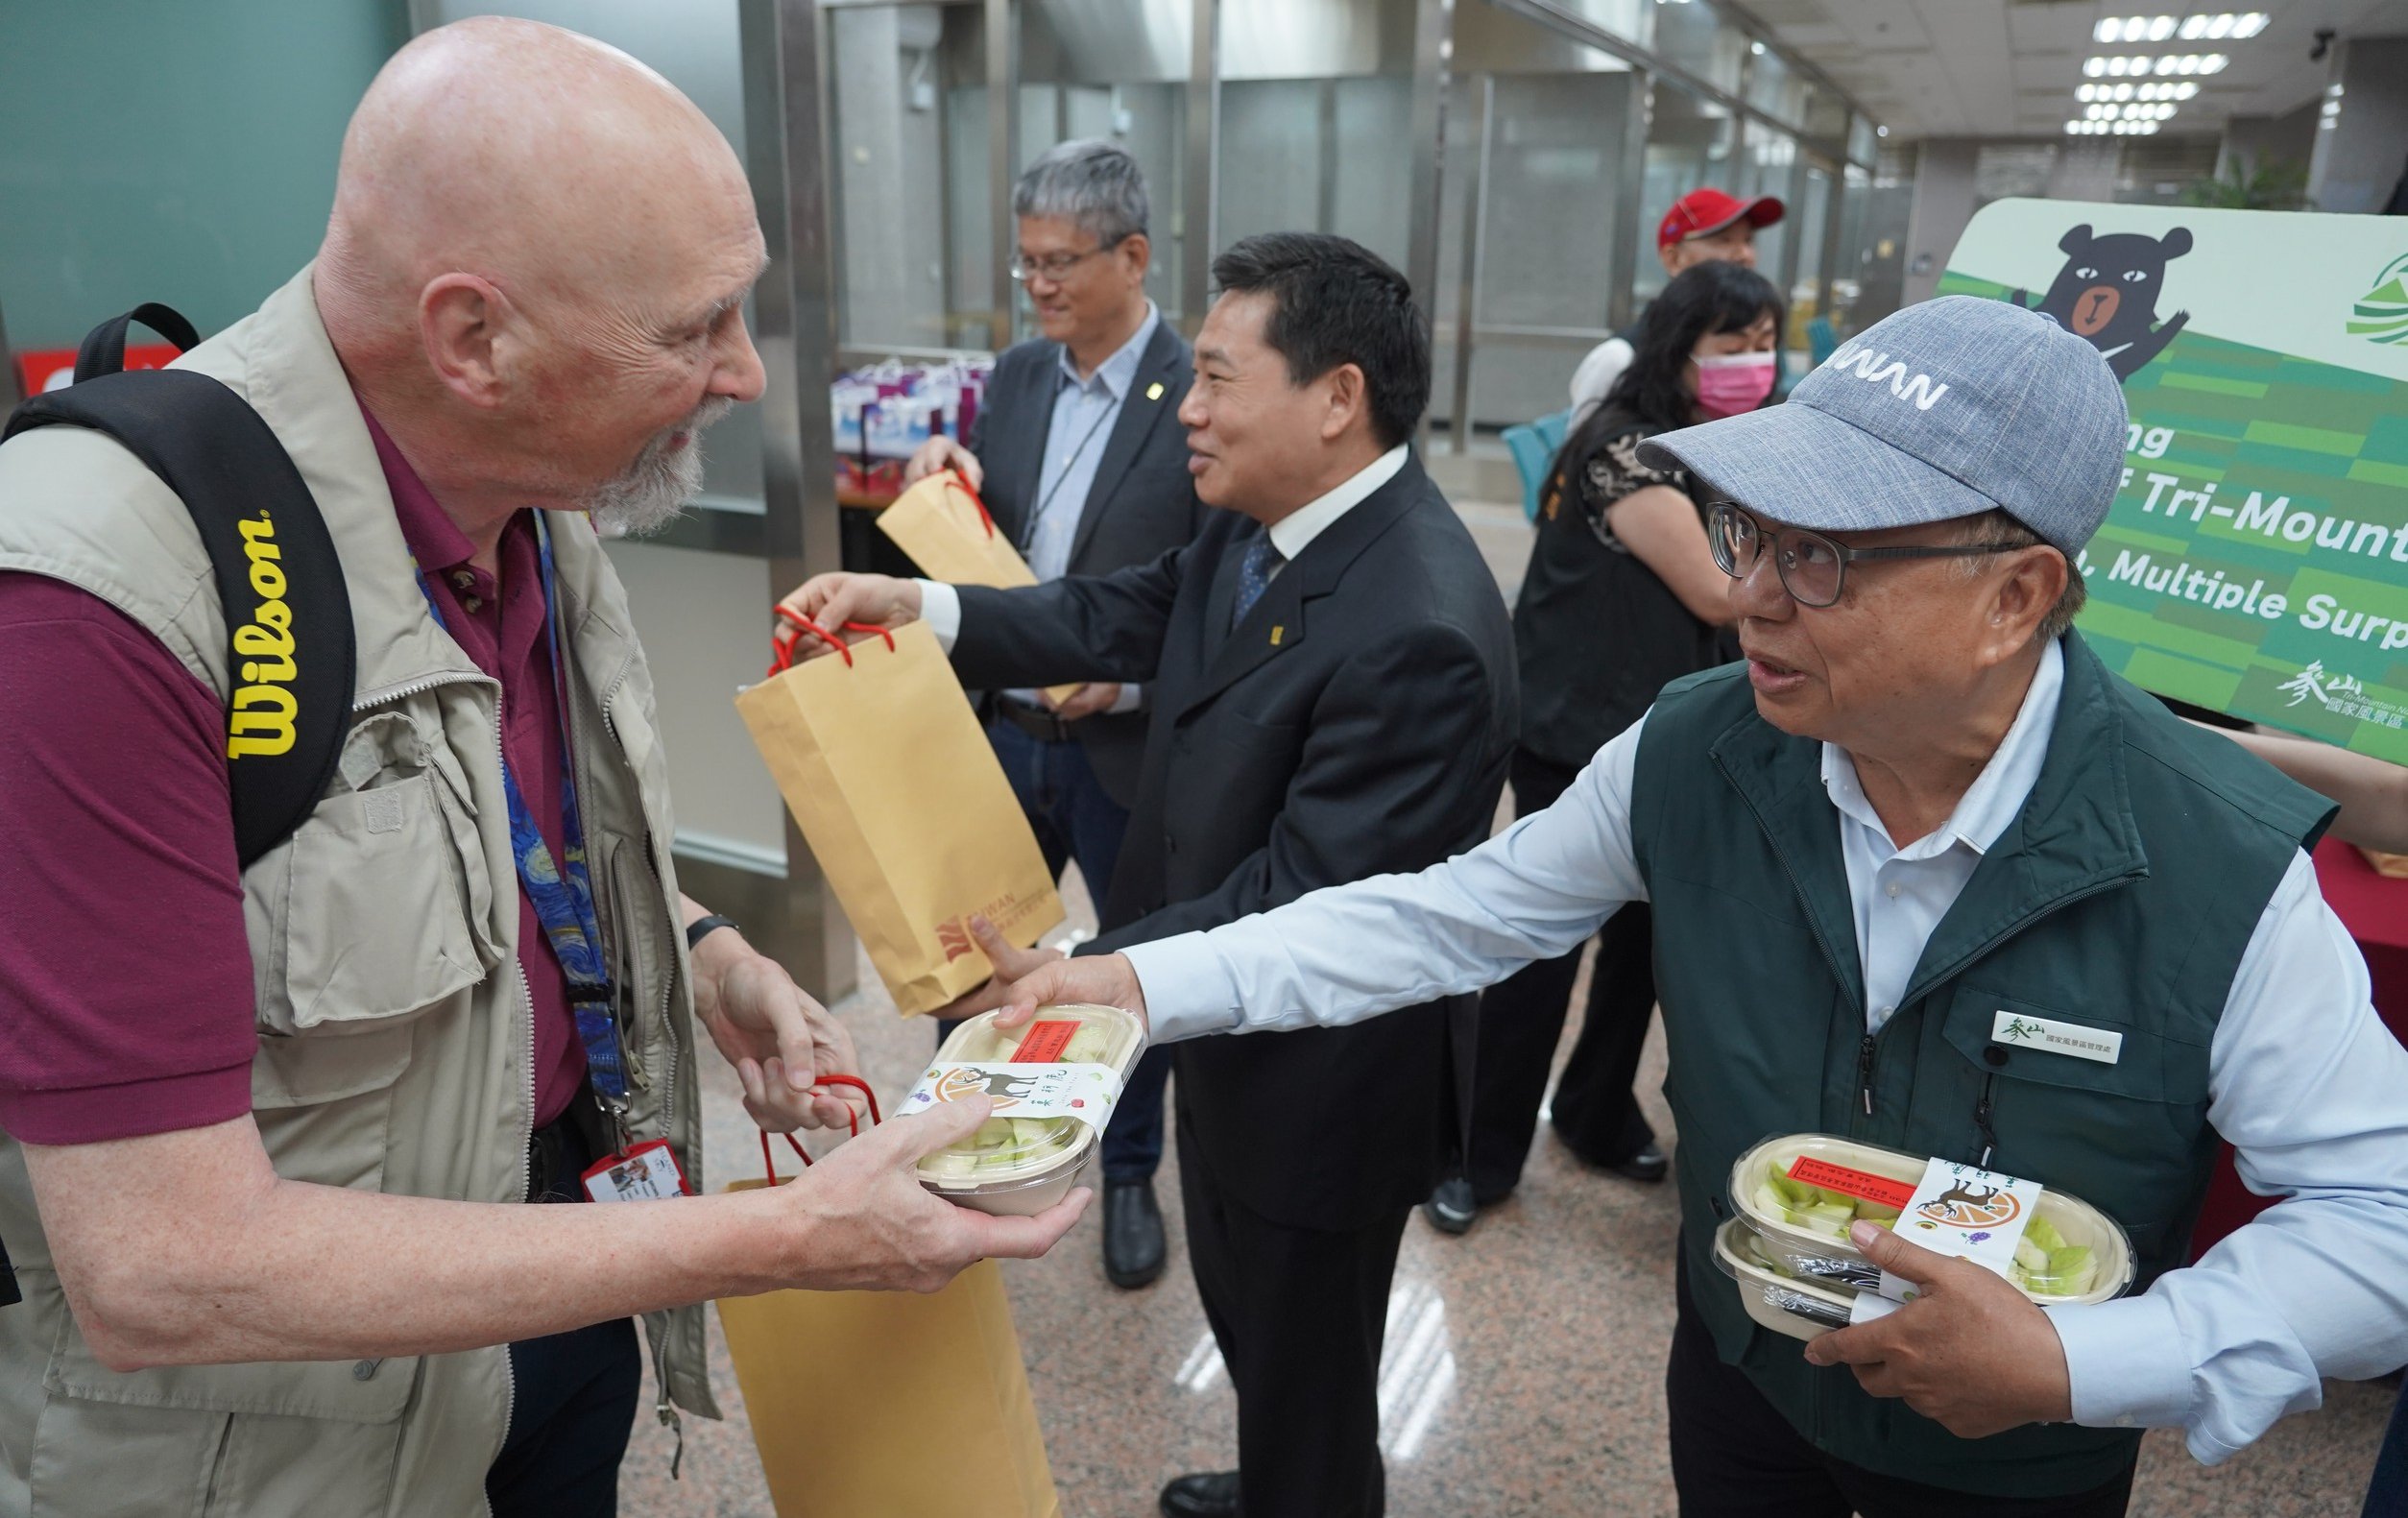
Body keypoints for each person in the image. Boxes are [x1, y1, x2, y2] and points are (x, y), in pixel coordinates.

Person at [993, 295, 2408, 1516]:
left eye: (1823, 557)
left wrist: (2085, 1364)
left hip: (2017, 1457)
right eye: (1750, 531)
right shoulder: (1699, 747)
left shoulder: (2211, 857)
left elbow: (2380, 1212)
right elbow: (1456, 915)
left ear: (2014, 595)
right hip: (1742, 1382)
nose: (1748, 599)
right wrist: (1143, 981)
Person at [0, 22, 1082, 1518]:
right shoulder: (100, 598)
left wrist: (705, 958)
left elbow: (493, 834)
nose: (740, 374)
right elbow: (161, 1268)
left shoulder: (537, 502)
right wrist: (784, 1237)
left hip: (549, 1311)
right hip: (286, 1445)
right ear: (473, 340)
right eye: (693, 327)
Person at [783, 232, 1516, 1518]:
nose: (1190, 405)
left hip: (1328, 1082)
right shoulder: (1264, 528)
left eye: (1222, 377)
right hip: (1230, 1038)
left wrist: (1087, 967)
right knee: (1259, 1333)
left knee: (1312, 1363)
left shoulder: (1421, 626)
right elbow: (1120, 609)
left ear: (1336, 397)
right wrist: (929, 612)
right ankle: (1280, 1474)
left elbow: (1313, 900)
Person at [1423, 258, 1781, 1236]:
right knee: (1538, 952)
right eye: (1731, 345)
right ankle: (1476, 1153)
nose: (1753, 363)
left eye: (1763, 346)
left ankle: (1592, 1112)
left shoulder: (1734, 444)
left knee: (1646, 954)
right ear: (1680, 347)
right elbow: (1718, 590)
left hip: (1681, 737)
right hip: (1578, 733)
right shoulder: (1623, 447)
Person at [902, 138, 1205, 1291]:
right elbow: (999, 546)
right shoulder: (1021, 378)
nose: (1038, 286)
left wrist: (1127, 681)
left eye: (1060, 263)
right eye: (1025, 264)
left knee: (1128, 967)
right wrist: (949, 472)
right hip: (1005, 734)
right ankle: (951, 1145)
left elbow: (1202, 588)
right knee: (965, 959)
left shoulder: (1195, 394)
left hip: (1125, 744)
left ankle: (1125, 1171)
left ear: (1133, 256)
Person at [1569, 186, 1784, 421]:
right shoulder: (1618, 359)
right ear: (1673, 258)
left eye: (1748, 240)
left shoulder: (1758, 349)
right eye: (1724, 240)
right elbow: (1584, 450)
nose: (1744, 254)